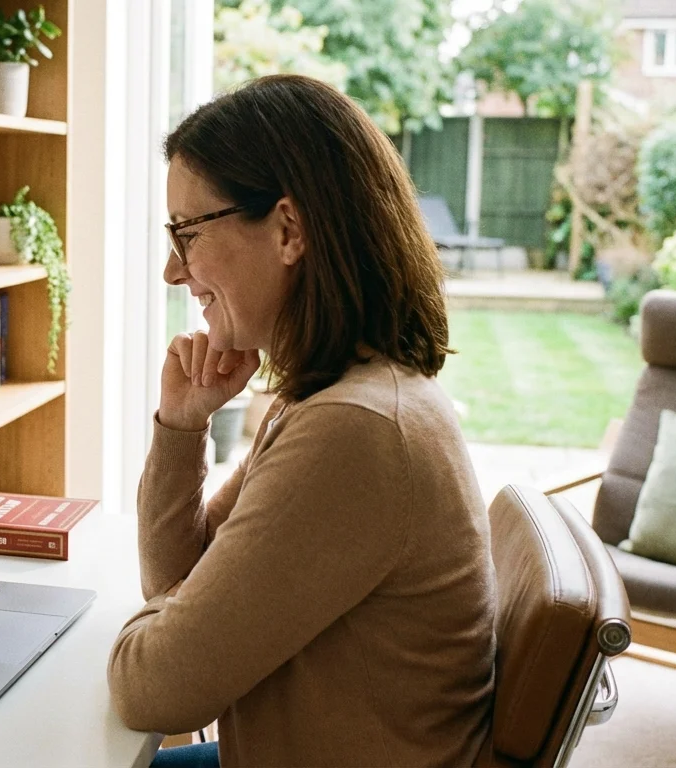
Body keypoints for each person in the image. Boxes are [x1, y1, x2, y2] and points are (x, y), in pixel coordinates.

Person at [107, 75, 497, 768]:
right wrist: (182, 423)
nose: (174, 270)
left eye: (187, 233)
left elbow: (155, 690)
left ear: (289, 229)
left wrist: (178, 618)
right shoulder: (336, 394)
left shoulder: (357, 432)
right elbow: (176, 577)